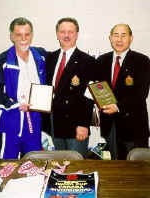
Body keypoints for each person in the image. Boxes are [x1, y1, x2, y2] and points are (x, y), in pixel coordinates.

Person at [0, 17, 46, 159]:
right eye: (19, 35)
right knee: (7, 166)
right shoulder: (1, 61)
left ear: (31, 35)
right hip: (11, 120)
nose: (23, 39)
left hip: (34, 119)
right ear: (12, 36)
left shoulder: (41, 56)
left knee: (34, 163)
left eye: (27, 34)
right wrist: (14, 105)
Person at [95, 24, 150, 159]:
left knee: (136, 171)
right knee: (115, 166)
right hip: (110, 126)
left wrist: (117, 106)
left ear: (131, 38)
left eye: (123, 35)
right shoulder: (102, 60)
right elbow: (98, 87)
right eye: (116, 35)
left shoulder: (142, 61)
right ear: (110, 38)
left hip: (133, 127)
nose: (119, 39)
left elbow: (141, 94)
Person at [43, 17, 96, 158]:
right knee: (60, 163)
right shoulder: (50, 58)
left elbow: (89, 97)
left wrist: (84, 124)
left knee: (76, 164)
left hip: (76, 124)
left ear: (77, 34)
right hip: (55, 121)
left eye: (70, 32)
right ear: (57, 34)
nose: (66, 35)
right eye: (62, 31)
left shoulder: (88, 61)